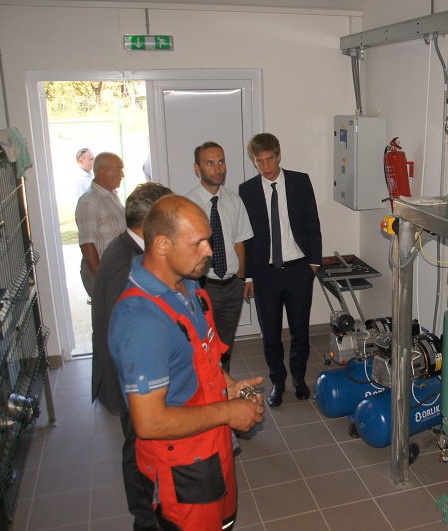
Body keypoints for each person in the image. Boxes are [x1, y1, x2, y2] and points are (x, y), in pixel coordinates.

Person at [108, 195, 264, 529]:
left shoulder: (191, 289)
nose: (209, 250)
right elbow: (149, 422)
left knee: (223, 522)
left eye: (209, 240)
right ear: (162, 245)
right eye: (198, 243)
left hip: (214, 445)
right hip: (182, 468)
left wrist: (231, 387)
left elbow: (204, 360)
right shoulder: (141, 321)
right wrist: (228, 412)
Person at [91, 182, 172, 531]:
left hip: (134, 373)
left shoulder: (131, 248)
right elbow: (127, 337)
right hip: (129, 378)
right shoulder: (125, 263)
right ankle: (144, 517)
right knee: (138, 444)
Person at [239, 133, 322, 408]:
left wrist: (313, 264)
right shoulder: (247, 190)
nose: (266, 167)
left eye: (269, 159)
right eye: (259, 161)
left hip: (299, 270)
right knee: (271, 334)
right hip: (265, 274)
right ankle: (277, 381)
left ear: (279, 155)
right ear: (254, 161)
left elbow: (312, 223)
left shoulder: (300, 182)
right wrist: (248, 275)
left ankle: (298, 378)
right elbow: (246, 238)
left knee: (300, 330)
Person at [185, 141, 253, 371]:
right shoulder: (188, 205)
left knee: (226, 345)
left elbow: (239, 241)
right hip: (203, 287)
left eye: (221, 162)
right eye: (210, 163)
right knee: (203, 344)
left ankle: (225, 384)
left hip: (232, 286)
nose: (218, 169)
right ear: (197, 168)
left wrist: (242, 278)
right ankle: (206, 388)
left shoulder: (234, 200)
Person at [75, 152, 127, 296]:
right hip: (103, 274)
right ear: (103, 171)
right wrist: (102, 279)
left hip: (117, 272)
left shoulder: (111, 195)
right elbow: (87, 245)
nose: (122, 175)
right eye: (119, 169)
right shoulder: (89, 201)